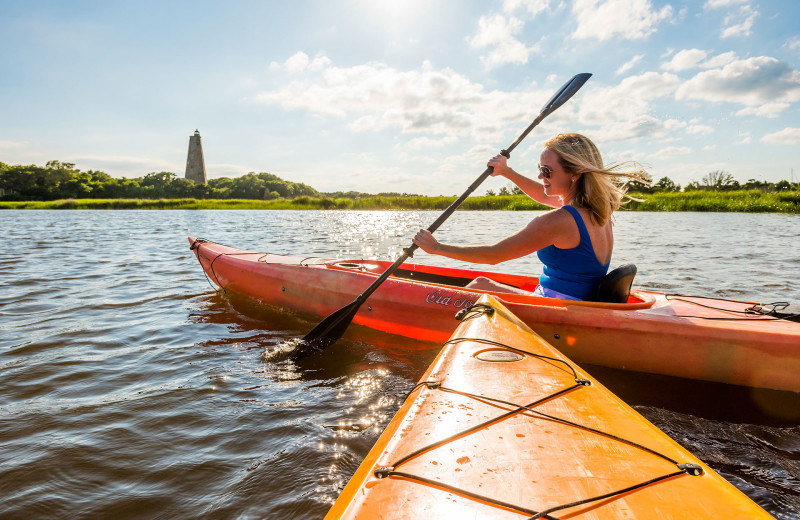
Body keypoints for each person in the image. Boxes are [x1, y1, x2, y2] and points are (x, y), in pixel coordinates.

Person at [412, 133, 649, 301]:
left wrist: (437, 248)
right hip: (579, 301)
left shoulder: (558, 221)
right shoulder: (600, 210)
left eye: (546, 171)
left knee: (479, 286)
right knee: (484, 283)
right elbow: (544, 196)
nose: (539, 175)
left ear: (575, 173)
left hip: (559, 307)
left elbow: (493, 255)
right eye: (540, 168)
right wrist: (507, 172)